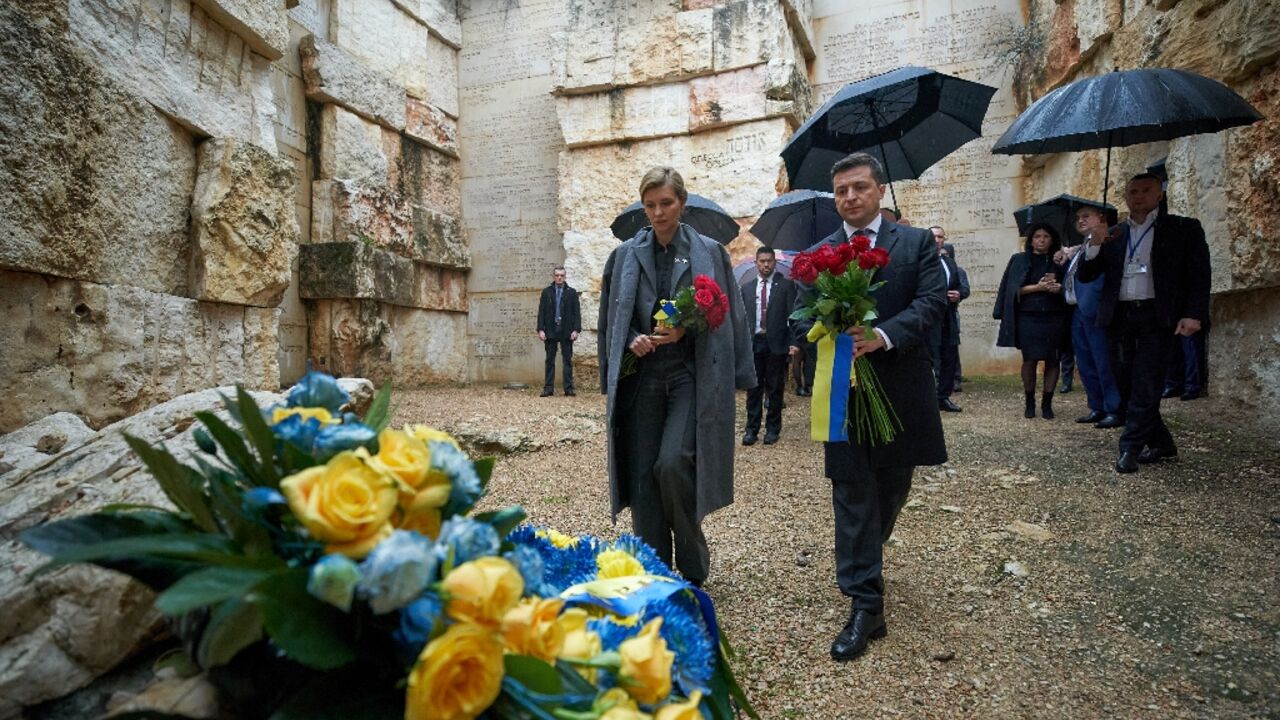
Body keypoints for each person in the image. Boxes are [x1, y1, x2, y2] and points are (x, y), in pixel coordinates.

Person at [792, 153, 947, 662]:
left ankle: (866, 556)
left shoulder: (915, 243)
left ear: (880, 190)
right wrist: (830, 329)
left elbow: (932, 303)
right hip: (842, 391)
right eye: (841, 190)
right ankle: (865, 603)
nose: (850, 197)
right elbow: (799, 316)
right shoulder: (817, 255)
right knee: (852, 489)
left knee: (891, 486)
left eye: (859, 187)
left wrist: (882, 334)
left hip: (899, 386)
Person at [598, 166, 755, 585]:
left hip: (689, 375)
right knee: (644, 475)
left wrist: (687, 330)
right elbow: (612, 318)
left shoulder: (710, 252)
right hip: (643, 379)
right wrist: (632, 338)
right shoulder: (624, 255)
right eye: (650, 205)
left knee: (672, 464)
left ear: (681, 203)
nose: (658, 212)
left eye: (666, 203)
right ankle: (654, 570)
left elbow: (727, 314)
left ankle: (692, 563)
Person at [1077, 173, 1210, 473]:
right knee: (1124, 383)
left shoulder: (1182, 228)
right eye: (1133, 191)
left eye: (1145, 190)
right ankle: (1162, 443)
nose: (1138, 196)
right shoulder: (1113, 234)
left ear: (1159, 194)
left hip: (1157, 316)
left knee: (1147, 382)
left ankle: (1130, 447)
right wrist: (1094, 244)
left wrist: (1194, 313)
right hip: (1120, 316)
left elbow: (1199, 275)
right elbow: (1086, 274)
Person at [1056, 207, 1123, 428]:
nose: (1080, 221)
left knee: (1103, 361)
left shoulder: (1108, 242)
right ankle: (1097, 406)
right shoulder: (1081, 247)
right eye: (1078, 218)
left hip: (1095, 309)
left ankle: (1114, 408)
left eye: (1086, 216)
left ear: (1100, 219)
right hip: (1076, 311)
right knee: (1085, 363)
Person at [994, 223, 1067, 419]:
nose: (1041, 240)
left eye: (1046, 236)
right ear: (1031, 240)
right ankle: (1030, 402)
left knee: (1053, 359)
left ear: (1052, 239)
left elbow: (1069, 285)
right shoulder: (1019, 260)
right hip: (1028, 316)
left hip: (1054, 315)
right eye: (1037, 236)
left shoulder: (1059, 260)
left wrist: (1059, 288)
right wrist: (1038, 287)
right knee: (1029, 359)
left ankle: (1047, 403)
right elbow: (1013, 289)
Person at [742, 246, 800, 446]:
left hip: (777, 343)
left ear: (774, 262)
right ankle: (751, 430)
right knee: (753, 388)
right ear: (756, 263)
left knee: (775, 388)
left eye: (769, 261)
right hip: (754, 343)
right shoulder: (747, 288)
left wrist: (794, 342)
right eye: (762, 261)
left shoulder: (786, 286)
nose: (766, 264)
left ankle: (773, 429)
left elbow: (794, 316)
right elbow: (742, 319)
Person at [929, 226, 969, 412]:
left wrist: (958, 294)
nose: (937, 240)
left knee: (949, 357)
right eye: (934, 237)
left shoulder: (949, 263)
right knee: (931, 358)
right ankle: (928, 397)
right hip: (929, 318)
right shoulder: (921, 261)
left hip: (949, 317)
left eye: (940, 237)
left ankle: (943, 397)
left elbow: (961, 286)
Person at [536, 267, 581, 396]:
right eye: (557, 275)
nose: (559, 277)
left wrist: (576, 330)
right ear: (553, 276)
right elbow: (541, 312)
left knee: (567, 361)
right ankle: (548, 388)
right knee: (550, 360)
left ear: (565, 277)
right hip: (551, 331)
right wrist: (540, 329)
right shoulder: (546, 292)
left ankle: (568, 388)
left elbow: (576, 313)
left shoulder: (572, 293)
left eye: (562, 275)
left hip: (566, 331)